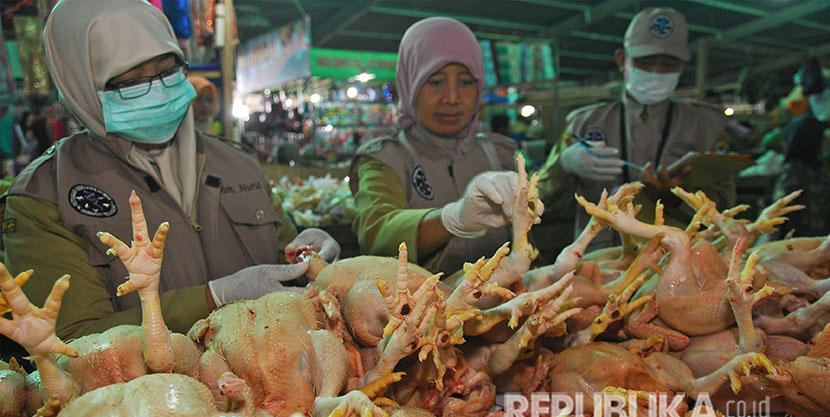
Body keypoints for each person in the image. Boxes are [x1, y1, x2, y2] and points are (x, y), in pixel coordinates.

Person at [1, 0, 338, 341]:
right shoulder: (45, 196)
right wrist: (212, 299)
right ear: (82, 87)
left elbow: (286, 263)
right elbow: (72, 340)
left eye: (167, 70)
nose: (158, 88)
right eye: (131, 81)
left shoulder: (238, 164)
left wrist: (309, 257)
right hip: (144, 394)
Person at [535, 6, 734, 259]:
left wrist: (679, 195)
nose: (656, 72)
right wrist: (563, 165)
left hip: (680, 257)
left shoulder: (706, 126)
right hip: (601, 258)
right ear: (621, 60)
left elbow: (727, 205)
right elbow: (542, 199)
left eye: (668, 64)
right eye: (645, 62)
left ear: (683, 65)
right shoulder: (583, 124)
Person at [348, 17, 522, 276]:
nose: (451, 98)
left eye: (465, 82)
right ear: (409, 84)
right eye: (435, 81)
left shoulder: (500, 154)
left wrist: (562, 166)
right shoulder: (384, 160)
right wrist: (451, 219)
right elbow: (376, 233)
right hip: (420, 315)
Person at [773, 59, 830, 237]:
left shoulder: (793, 170)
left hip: (794, 240)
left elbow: (777, 210)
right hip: (819, 240)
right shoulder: (821, 169)